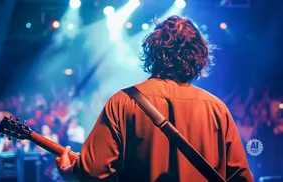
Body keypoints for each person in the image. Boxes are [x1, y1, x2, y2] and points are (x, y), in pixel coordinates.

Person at [55, 15, 254, 182]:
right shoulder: (216, 109)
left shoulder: (122, 102)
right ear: (198, 57)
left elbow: (93, 171)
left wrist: (69, 172)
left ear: (153, 52)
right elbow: (241, 177)